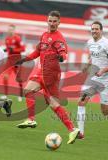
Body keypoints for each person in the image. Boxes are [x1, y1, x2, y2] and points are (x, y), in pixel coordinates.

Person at [15, 10, 80, 144]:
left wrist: (61, 57)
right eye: (50, 21)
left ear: (59, 22)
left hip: (51, 74)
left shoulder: (59, 38)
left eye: (54, 21)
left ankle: (71, 129)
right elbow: (37, 51)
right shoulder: (44, 35)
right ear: (47, 21)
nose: (52, 23)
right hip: (42, 72)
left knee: (48, 101)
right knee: (36, 94)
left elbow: (63, 53)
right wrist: (24, 59)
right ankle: (33, 120)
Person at [0, 24, 25, 102]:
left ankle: (21, 95)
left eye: (11, 29)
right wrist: (6, 50)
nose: (10, 31)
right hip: (9, 61)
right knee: (5, 77)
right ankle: (5, 95)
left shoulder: (17, 38)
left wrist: (14, 50)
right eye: (9, 29)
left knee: (19, 79)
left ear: (14, 30)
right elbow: (8, 49)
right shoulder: (7, 39)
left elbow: (23, 49)